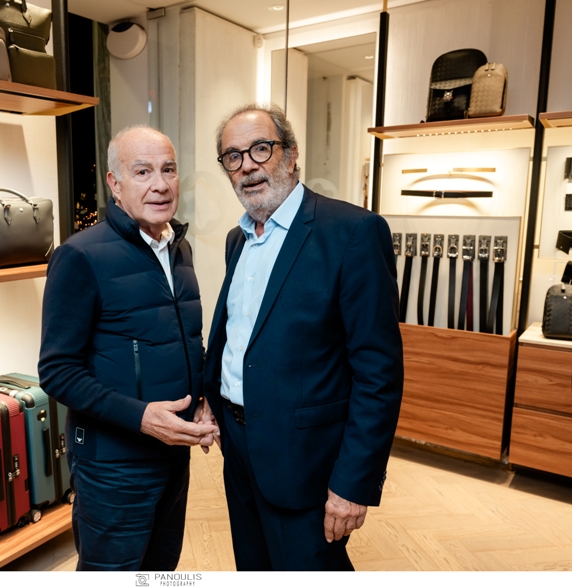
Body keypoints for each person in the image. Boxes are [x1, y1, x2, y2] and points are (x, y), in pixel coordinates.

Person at [203, 104, 404, 571]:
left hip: (306, 462)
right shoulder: (237, 239)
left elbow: (378, 373)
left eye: (261, 149)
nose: (247, 165)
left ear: (291, 155)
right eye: (233, 156)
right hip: (239, 447)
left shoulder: (352, 233)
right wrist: (212, 394)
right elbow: (240, 337)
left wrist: (353, 482)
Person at [38, 126, 218, 571]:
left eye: (168, 169)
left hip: (173, 454)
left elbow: (183, 341)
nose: (160, 184)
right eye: (142, 172)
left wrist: (202, 398)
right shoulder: (80, 256)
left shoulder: (179, 248)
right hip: (113, 467)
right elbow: (57, 371)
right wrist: (141, 417)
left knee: (160, 569)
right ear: (114, 184)